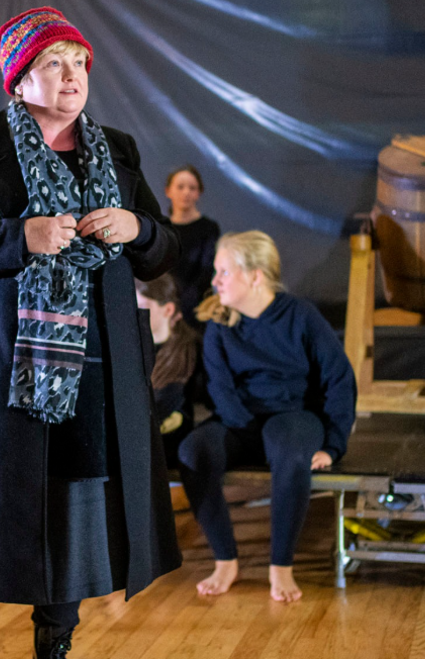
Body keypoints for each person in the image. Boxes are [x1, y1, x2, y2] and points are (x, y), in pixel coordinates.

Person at [0, 6, 182, 659]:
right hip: (3, 363)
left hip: (96, 365)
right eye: (54, 63)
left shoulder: (118, 149)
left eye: (79, 62)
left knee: (75, 510)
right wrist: (18, 237)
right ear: (19, 80)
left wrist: (136, 229)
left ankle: (55, 640)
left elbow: (163, 247)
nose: (71, 75)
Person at [178, 230, 355, 601]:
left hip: (293, 417)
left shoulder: (300, 315)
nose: (214, 281)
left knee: (288, 448)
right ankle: (225, 560)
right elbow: (219, 387)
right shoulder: (220, 325)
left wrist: (334, 444)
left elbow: (339, 378)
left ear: (255, 276)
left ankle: (281, 567)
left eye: (224, 272)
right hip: (240, 421)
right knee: (193, 451)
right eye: (216, 272)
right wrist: (245, 434)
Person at [136, 274, 200, 469]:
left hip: (171, 445)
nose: (134, 312)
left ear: (168, 309)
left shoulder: (190, 350)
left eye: (142, 306)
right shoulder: (131, 348)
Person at [164, 165, 220, 329]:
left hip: (196, 309)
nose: (186, 192)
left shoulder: (209, 228)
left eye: (192, 188)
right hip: (164, 307)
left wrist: (183, 306)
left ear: (199, 193)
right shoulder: (162, 229)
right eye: (180, 187)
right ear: (168, 191)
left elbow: (206, 272)